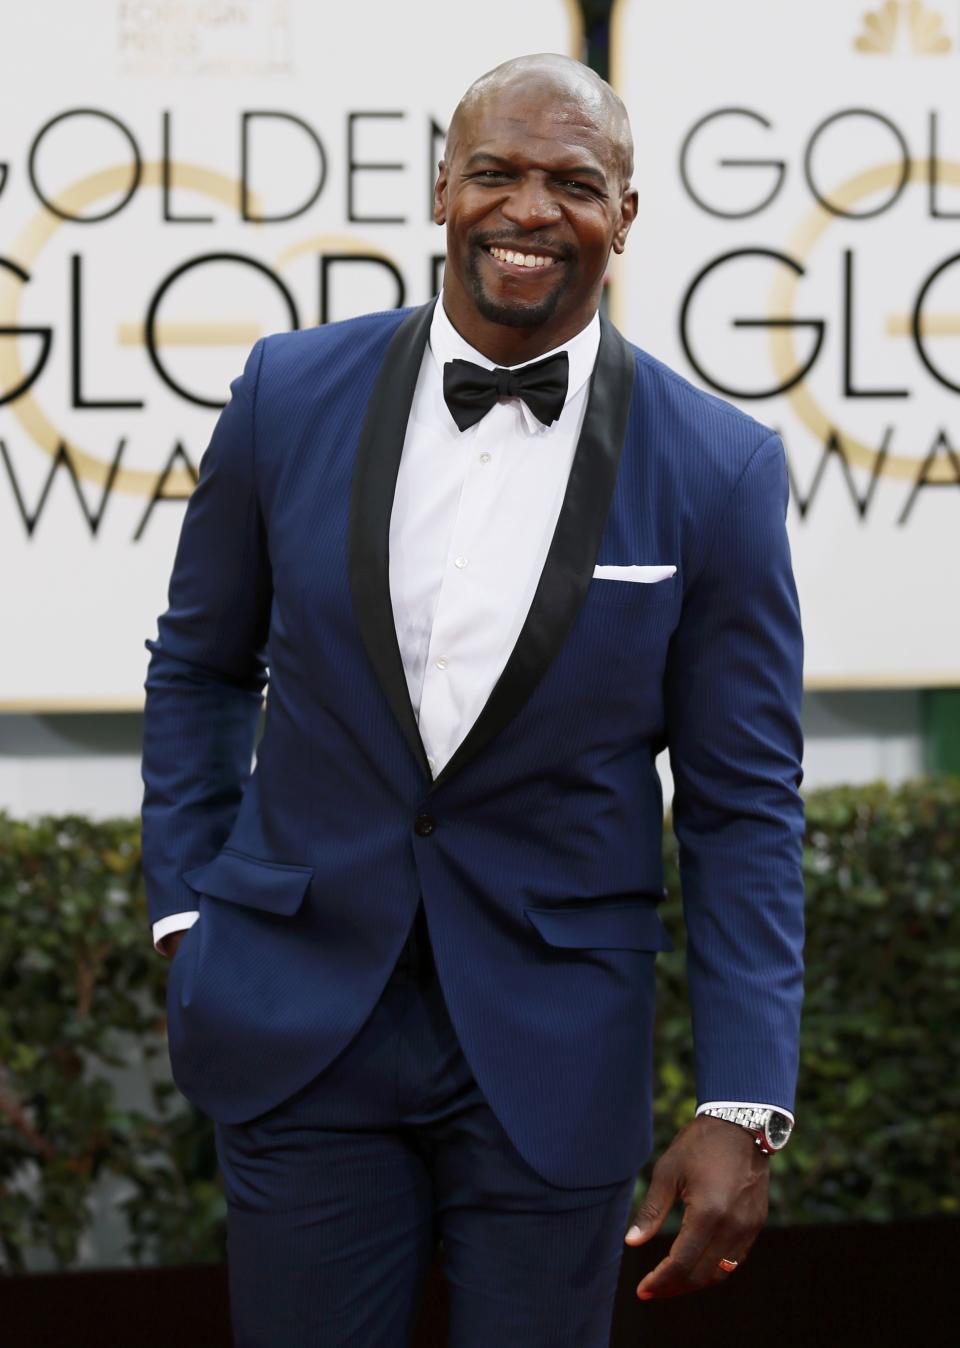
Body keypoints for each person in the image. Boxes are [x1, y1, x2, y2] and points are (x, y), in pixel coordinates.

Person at [140, 52, 805, 1348]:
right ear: (442, 187)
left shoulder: (718, 469)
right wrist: (188, 913)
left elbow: (742, 809)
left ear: (627, 210)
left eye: (574, 182)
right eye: (496, 172)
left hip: (554, 1042)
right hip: (297, 1014)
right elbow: (199, 666)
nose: (530, 210)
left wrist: (742, 1100)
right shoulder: (288, 394)